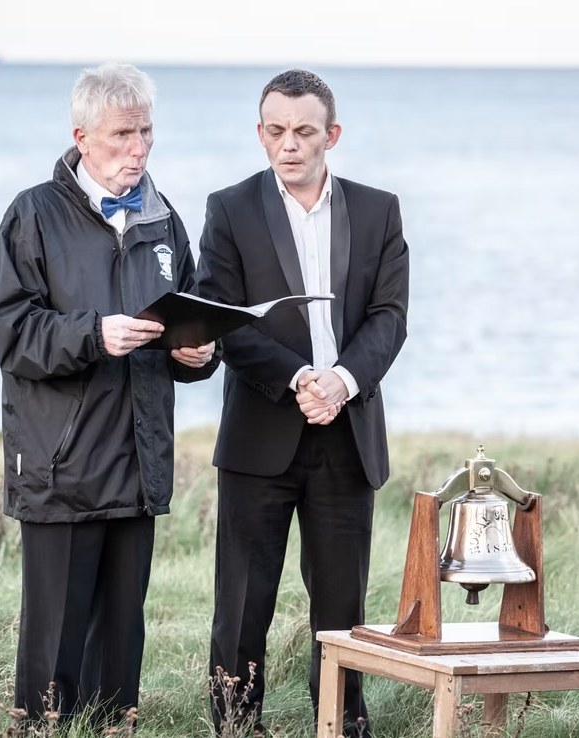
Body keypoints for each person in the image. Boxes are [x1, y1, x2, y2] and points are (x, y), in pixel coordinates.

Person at [0, 63, 219, 724]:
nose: (138, 148)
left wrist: (197, 353)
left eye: (145, 131)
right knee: (55, 642)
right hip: (62, 467)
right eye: (122, 134)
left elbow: (187, 319)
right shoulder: (32, 214)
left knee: (122, 637)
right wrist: (94, 333)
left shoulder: (162, 216)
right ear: (82, 136)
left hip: (138, 464)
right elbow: (13, 333)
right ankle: (43, 728)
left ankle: (116, 728)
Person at [196, 69, 409, 736]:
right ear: (260, 133)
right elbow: (221, 319)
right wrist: (298, 381)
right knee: (242, 602)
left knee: (341, 608)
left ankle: (341, 724)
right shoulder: (228, 208)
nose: (288, 144)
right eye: (275, 130)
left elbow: (388, 317)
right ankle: (236, 725)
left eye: (303, 131)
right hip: (261, 433)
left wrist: (340, 383)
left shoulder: (378, 210)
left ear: (331, 135)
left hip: (345, 436)